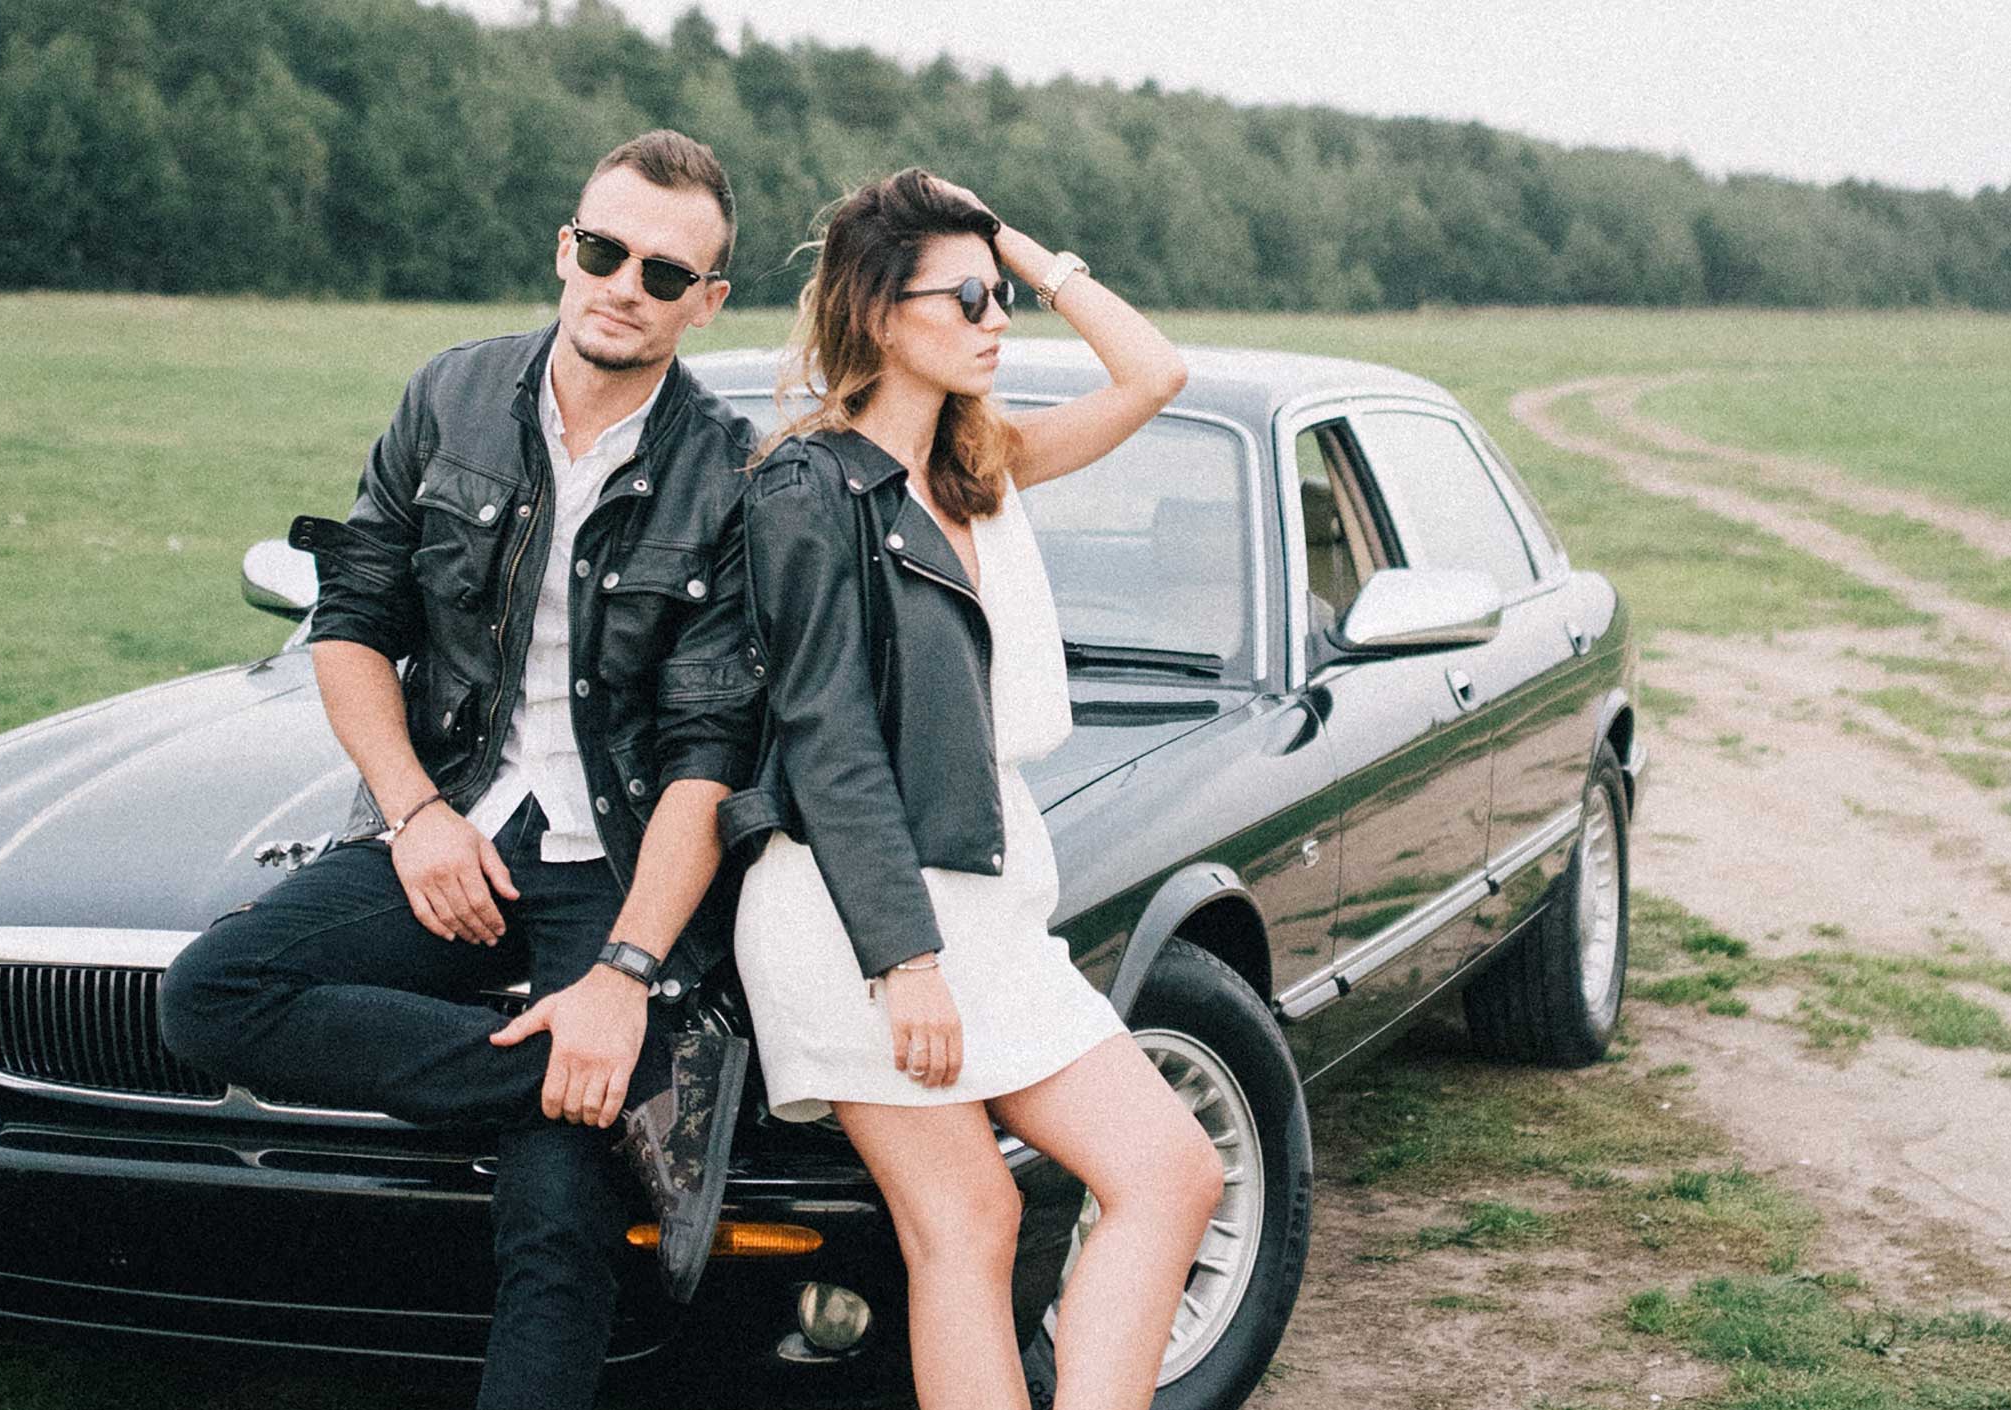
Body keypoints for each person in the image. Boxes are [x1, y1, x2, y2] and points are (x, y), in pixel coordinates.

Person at [158, 130, 762, 1410]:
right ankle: (623, 1084)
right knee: (212, 994)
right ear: (565, 249)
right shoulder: (452, 395)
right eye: (605, 252)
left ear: (705, 302)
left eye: (664, 274)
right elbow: (351, 623)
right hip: (457, 816)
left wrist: (624, 978)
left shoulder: (730, 472)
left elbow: (708, 757)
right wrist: (417, 813)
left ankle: (603, 1069)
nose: (624, 287)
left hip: (618, 859)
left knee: (557, 1219)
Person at [724, 168, 1224, 1410]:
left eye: (1003, 297)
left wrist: (1018, 247)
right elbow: (829, 740)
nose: (999, 319)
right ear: (879, 316)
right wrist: (904, 959)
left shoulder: (977, 465)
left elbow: (1155, 373)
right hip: (857, 916)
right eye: (967, 299)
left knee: (1170, 1173)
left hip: (989, 900)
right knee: (968, 1222)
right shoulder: (808, 489)